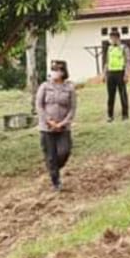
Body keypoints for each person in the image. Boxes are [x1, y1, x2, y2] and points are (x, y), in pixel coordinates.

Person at [35, 59, 77, 190]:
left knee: (64, 152)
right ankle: (56, 182)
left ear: (63, 72)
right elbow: (39, 106)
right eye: (53, 70)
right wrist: (49, 121)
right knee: (51, 156)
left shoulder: (69, 88)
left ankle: (54, 169)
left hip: (63, 128)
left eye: (57, 70)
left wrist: (63, 123)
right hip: (47, 128)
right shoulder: (44, 86)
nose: (54, 73)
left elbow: (72, 108)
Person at [104, 30, 129, 122]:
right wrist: (105, 74)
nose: (112, 40)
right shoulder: (109, 48)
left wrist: (126, 74)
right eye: (111, 38)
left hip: (120, 72)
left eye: (114, 38)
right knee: (110, 96)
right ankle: (110, 116)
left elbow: (127, 61)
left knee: (123, 95)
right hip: (111, 73)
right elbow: (107, 62)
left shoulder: (123, 48)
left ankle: (125, 115)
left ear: (118, 38)